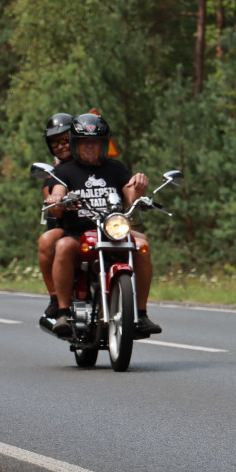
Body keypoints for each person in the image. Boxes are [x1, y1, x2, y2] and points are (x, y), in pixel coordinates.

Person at [46, 112, 161, 337]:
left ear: (103, 145)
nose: (90, 147)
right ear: (76, 145)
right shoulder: (64, 171)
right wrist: (56, 199)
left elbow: (130, 196)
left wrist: (139, 187)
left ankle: (141, 313)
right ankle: (61, 312)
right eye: (85, 143)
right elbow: (58, 191)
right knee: (62, 247)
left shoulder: (116, 169)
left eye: (95, 142)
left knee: (143, 243)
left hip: (113, 231)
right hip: (79, 232)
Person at [38, 113, 74, 320]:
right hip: (68, 227)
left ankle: (137, 310)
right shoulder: (55, 174)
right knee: (45, 241)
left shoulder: (97, 163)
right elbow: (52, 202)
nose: (60, 146)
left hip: (102, 224)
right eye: (54, 142)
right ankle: (54, 297)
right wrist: (57, 202)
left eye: (65, 139)